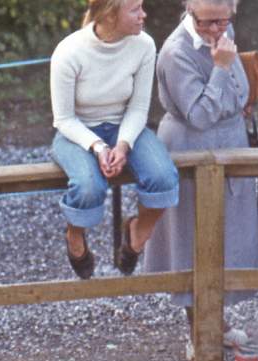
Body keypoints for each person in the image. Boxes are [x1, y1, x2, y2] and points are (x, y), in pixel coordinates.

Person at [145, 0, 258, 360]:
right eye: (208, 22)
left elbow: (235, 90)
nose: (216, 30)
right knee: (192, 240)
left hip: (230, 144)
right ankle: (197, 330)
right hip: (191, 147)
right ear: (190, 12)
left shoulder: (223, 29)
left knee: (226, 235)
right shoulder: (175, 52)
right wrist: (222, 69)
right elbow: (199, 115)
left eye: (223, 21)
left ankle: (218, 320)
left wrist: (237, 94)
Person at [50, 0, 180, 279]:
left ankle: (137, 233)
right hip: (77, 132)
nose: (144, 14)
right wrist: (98, 147)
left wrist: (122, 145)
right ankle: (75, 235)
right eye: (135, 9)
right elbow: (63, 119)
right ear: (110, 15)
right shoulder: (69, 51)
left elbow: (138, 108)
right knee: (87, 187)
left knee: (164, 177)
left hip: (126, 126)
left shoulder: (144, 45)